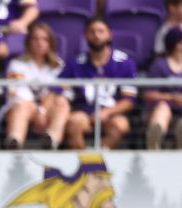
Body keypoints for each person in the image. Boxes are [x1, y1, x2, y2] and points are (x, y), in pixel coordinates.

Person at [53, 17, 138, 150]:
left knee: (121, 125)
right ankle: (83, 162)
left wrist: (107, 112)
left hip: (112, 113)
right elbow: (60, 89)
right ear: (86, 35)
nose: (96, 35)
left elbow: (129, 100)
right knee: (74, 122)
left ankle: (99, 159)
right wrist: (63, 98)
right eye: (92, 32)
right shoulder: (75, 63)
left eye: (100, 31)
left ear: (109, 35)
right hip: (82, 112)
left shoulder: (124, 63)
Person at [0, 20, 67, 150]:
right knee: (22, 105)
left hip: (48, 111)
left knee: (62, 102)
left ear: (50, 43)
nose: (39, 43)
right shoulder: (17, 64)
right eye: (35, 39)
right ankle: (14, 142)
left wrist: (42, 111)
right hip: (21, 108)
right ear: (28, 42)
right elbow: (17, 92)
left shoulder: (59, 66)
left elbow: (61, 91)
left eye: (44, 39)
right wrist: (38, 112)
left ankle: (52, 140)